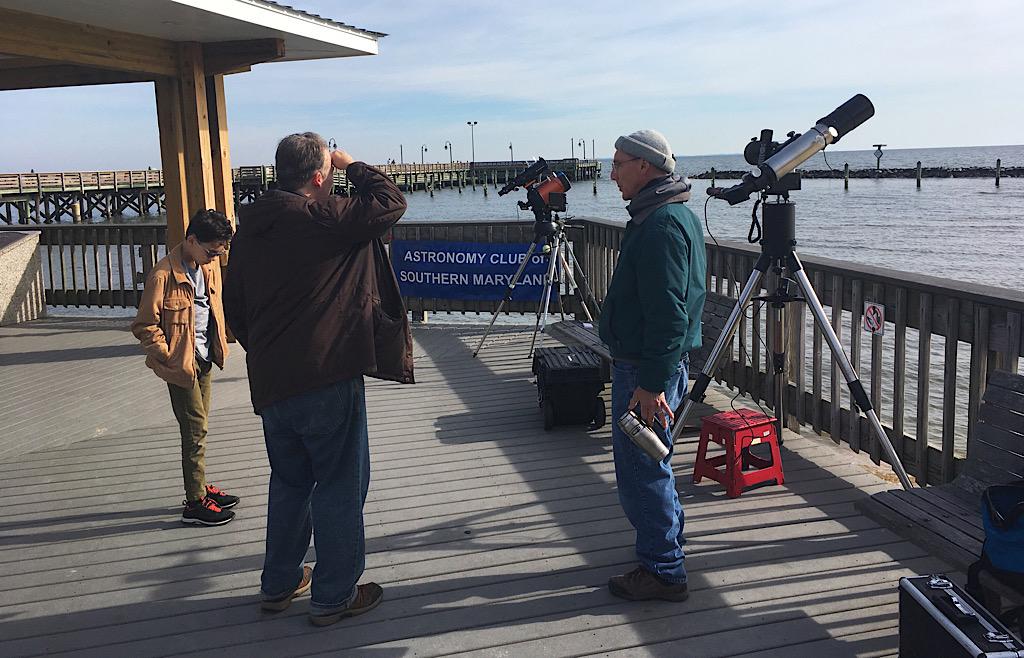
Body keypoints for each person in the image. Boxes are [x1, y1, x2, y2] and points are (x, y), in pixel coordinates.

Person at [223, 132, 412, 626]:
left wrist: (269, 351)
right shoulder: (324, 218)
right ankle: (334, 595)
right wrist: (354, 164)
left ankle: (279, 583)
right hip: (326, 374)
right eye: (328, 172)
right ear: (318, 177)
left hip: (271, 381)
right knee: (339, 484)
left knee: (289, 483)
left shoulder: (249, 230)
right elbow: (391, 201)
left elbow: (234, 311)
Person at [598, 129, 706, 601]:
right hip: (649, 365)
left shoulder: (661, 224)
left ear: (645, 166)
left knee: (643, 469)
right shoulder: (668, 213)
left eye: (619, 163)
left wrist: (652, 382)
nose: (612, 171)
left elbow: (668, 314)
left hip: (645, 369)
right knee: (652, 461)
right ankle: (668, 548)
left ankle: (663, 569)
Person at [132, 208, 240, 526]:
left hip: (205, 357)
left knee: (200, 426)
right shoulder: (163, 274)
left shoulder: (203, 268)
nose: (213, 260)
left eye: (219, 254)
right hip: (183, 363)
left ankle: (200, 486)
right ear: (192, 240)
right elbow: (144, 324)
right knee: (194, 430)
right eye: (210, 252)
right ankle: (194, 502)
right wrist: (168, 356)